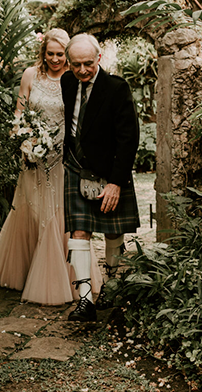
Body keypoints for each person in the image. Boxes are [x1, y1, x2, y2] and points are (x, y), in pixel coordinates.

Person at [0, 29, 101, 306]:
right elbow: (20, 111)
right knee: (30, 210)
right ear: (43, 53)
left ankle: (64, 277)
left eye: (60, 54)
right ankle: (26, 271)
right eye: (50, 54)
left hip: (62, 156)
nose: (55, 59)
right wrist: (25, 139)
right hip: (33, 156)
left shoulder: (74, 79)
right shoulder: (30, 75)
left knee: (57, 214)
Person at [61, 33, 140, 322]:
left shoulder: (117, 88)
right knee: (78, 233)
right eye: (76, 64)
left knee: (112, 232)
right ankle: (85, 301)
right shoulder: (67, 82)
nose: (82, 70)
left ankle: (111, 289)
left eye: (87, 64)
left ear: (99, 59)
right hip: (76, 168)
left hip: (109, 172)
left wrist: (116, 182)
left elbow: (129, 138)